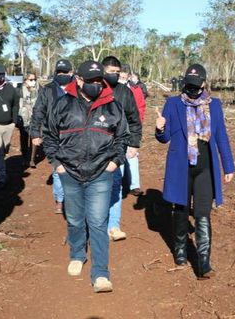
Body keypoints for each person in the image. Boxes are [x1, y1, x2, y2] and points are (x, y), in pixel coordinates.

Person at [43, 60, 129, 293]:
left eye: (98, 81)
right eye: (90, 81)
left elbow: (122, 138)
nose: (95, 85)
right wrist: (57, 163)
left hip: (101, 173)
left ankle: (101, 273)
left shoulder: (113, 106)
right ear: (78, 80)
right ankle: (77, 254)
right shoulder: (62, 105)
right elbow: (49, 135)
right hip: (69, 172)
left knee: (98, 222)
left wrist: (114, 162)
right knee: (74, 218)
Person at [155, 64, 235, 279]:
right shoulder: (172, 104)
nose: (191, 90)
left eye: (195, 85)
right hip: (181, 167)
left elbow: (221, 137)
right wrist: (160, 127)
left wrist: (228, 166)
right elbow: (164, 138)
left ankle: (203, 262)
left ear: (204, 83)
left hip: (205, 168)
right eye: (188, 85)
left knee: (202, 214)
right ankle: (180, 250)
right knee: (181, 210)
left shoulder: (215, 106)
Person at [101, 57, 143, 241]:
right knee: (94, 187)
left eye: (117, 72)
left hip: (117, 146)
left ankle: (113, 226)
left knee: (115, 185)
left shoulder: (124, 92)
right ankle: (94, 225)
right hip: (93, 148)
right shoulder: (92, 89)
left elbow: (134, 119)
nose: (114, 75)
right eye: (111, 71)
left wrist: (133, 144)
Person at [29, 59, 74, 213]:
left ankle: (73, 198)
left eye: (65, 72)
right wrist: (35, 133)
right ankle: (60, 200)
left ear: (71, 73)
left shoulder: (78, 88)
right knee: (58, 167)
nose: (62, 75)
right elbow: (38, 111)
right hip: (53, 135)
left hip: (74, 135)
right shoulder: (47, 90)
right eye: (59, 72)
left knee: (74, 166)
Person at [119, 64, 146, 195]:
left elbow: (141, 107)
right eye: (120, 77)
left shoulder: (136, 90)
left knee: (132, 154)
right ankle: (120, 182)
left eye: (124, 77)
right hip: (117, 126)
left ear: (129, 77)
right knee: (119, 153)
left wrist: (138, 122)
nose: (122, 80)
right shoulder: (112, 88)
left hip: (131, 126)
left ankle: (134, 185)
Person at [18, 72, 39, 167]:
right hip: (23, 117)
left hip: (35, 118)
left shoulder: (38, 90)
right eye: (31, 80)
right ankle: (24, 157)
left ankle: (32, 159)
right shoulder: (19, 90)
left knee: (34, 137)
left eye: (34, 79)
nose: (33, 81)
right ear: (25, 80)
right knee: (24, 137)